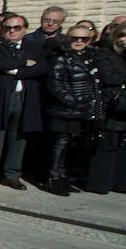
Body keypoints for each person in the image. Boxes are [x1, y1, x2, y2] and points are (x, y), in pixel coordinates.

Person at [0, 14, 47, 190]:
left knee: (19, 137)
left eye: (17, 28)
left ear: (25, 29)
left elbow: (42, 68)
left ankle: (12, 175)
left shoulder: (34, 47)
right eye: (8, 28)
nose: (12, 31)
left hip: (24, 98)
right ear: (2, 28)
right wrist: (24, 63)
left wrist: (15, 71)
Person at [42, 26, 101, 196]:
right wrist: (73, 102)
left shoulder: (87, 57)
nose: (79, 42)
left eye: (84, 39)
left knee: (68, 145)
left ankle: (62, 176)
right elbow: (55, 85)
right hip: (63, 109)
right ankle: (53, 178)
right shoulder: (60, 58)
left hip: (79, 109)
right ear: (68, 38)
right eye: (75, 38)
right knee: (59, 144)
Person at [90, 20, 126, 194]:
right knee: (108, 142)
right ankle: (101, 184)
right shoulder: (104, 52)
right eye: (123, 35)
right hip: (112, 103)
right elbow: (109, 77)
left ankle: (121, 183)